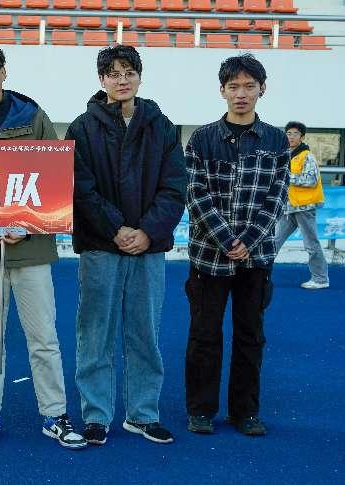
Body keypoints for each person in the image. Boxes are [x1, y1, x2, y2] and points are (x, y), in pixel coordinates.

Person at [0, 42, 86, 450]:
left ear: (4, 71)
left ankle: (55, 414)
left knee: (43, 337)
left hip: (32, 251)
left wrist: (30, 226)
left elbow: (57, 182)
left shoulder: (34, 119)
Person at [66, 45, 186, 446]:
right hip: (101, 246)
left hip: (148, 249)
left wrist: (147, 231)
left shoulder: (162, 126)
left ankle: (143, 415)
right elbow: (80, 188)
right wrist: (116, 228)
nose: (122, 80)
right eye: (113, 73)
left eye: (128, 72)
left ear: (139, 76)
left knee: (144, 334)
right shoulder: (82, 128)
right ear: (101, 80)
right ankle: (96, 416)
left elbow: (174, 186)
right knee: (94, 334)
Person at [184, 54, 289, 437]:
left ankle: (245, 412)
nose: (241, 93)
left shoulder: (276, 140)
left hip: (256, 259)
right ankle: (201, 410)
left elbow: (277, 197)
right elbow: (195, 194)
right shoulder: (202, 139)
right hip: (208, 258)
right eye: (233, 87)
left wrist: (248, 241)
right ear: (222, 91)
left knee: (250, 337)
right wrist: (228, 239)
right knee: (204, 336)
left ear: (262, 89)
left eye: (249, 86)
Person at [274, 121, 329, 289]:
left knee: (311, 245)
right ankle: (258, 276)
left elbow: (311, 180)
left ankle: (320, 279)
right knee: (273, 242)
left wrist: (286, 176)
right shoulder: (286, 155)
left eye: (295, 134)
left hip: (304, 208)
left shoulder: (307, 156)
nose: (291, 137)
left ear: (302, 137)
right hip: (288, 207)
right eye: (288, 133)